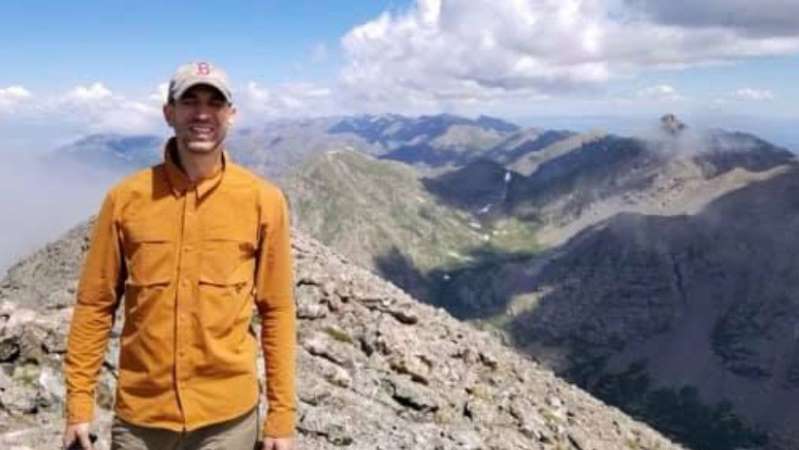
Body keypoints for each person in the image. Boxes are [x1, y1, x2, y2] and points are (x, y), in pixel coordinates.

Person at [61, 61, 297, 450]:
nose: (202, 114)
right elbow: (94, 305)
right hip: (142, 421)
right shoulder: (125, 200)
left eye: (214, 103)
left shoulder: (263, 201)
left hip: (229, 421)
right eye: (189, 101)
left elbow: (277, 310)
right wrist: (79, 406)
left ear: (231, 116)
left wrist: (281, 419)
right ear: (168, 113)